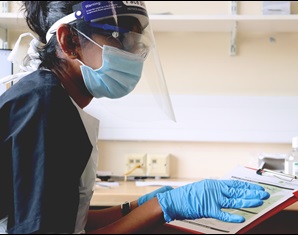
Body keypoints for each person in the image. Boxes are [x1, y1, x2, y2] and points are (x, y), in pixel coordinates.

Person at [0, 1, 270, 234]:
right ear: (69, 41)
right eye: (119, 37)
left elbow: (65, 223)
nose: (132, 52)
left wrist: (136, 207)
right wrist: (163, 207)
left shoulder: (53, 98)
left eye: (136, 41)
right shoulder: (44, 106)